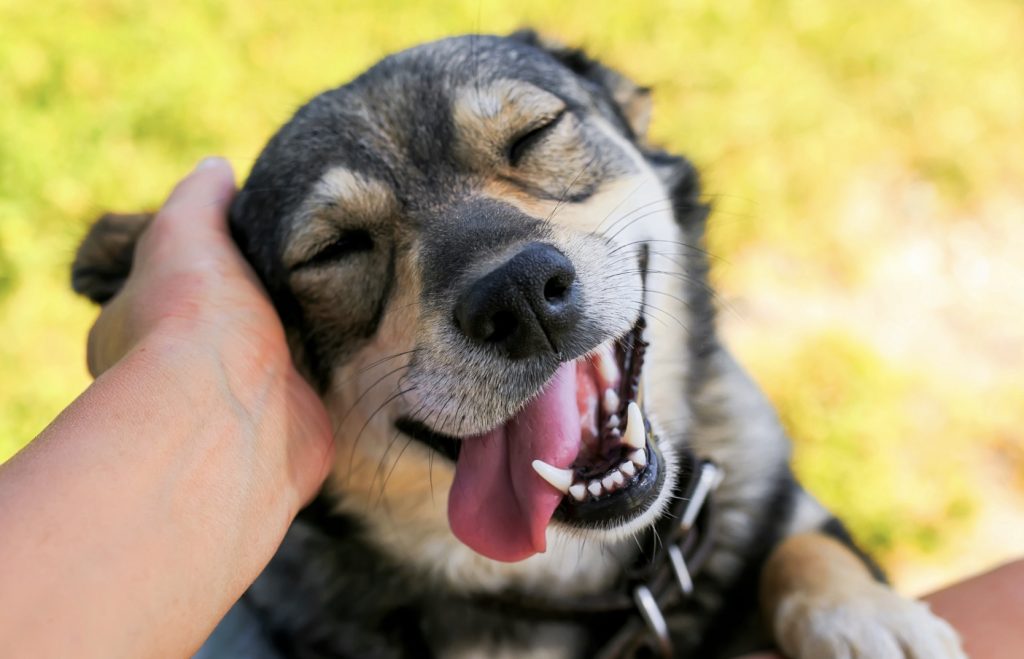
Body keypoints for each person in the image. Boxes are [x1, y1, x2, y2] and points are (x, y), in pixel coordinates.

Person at [0, 159, 1019, 658]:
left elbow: (783, 522)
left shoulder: (727, 437)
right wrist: (195, 363)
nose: (511, 271)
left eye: (532, 141)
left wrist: (810, 574)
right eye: (340, 248)